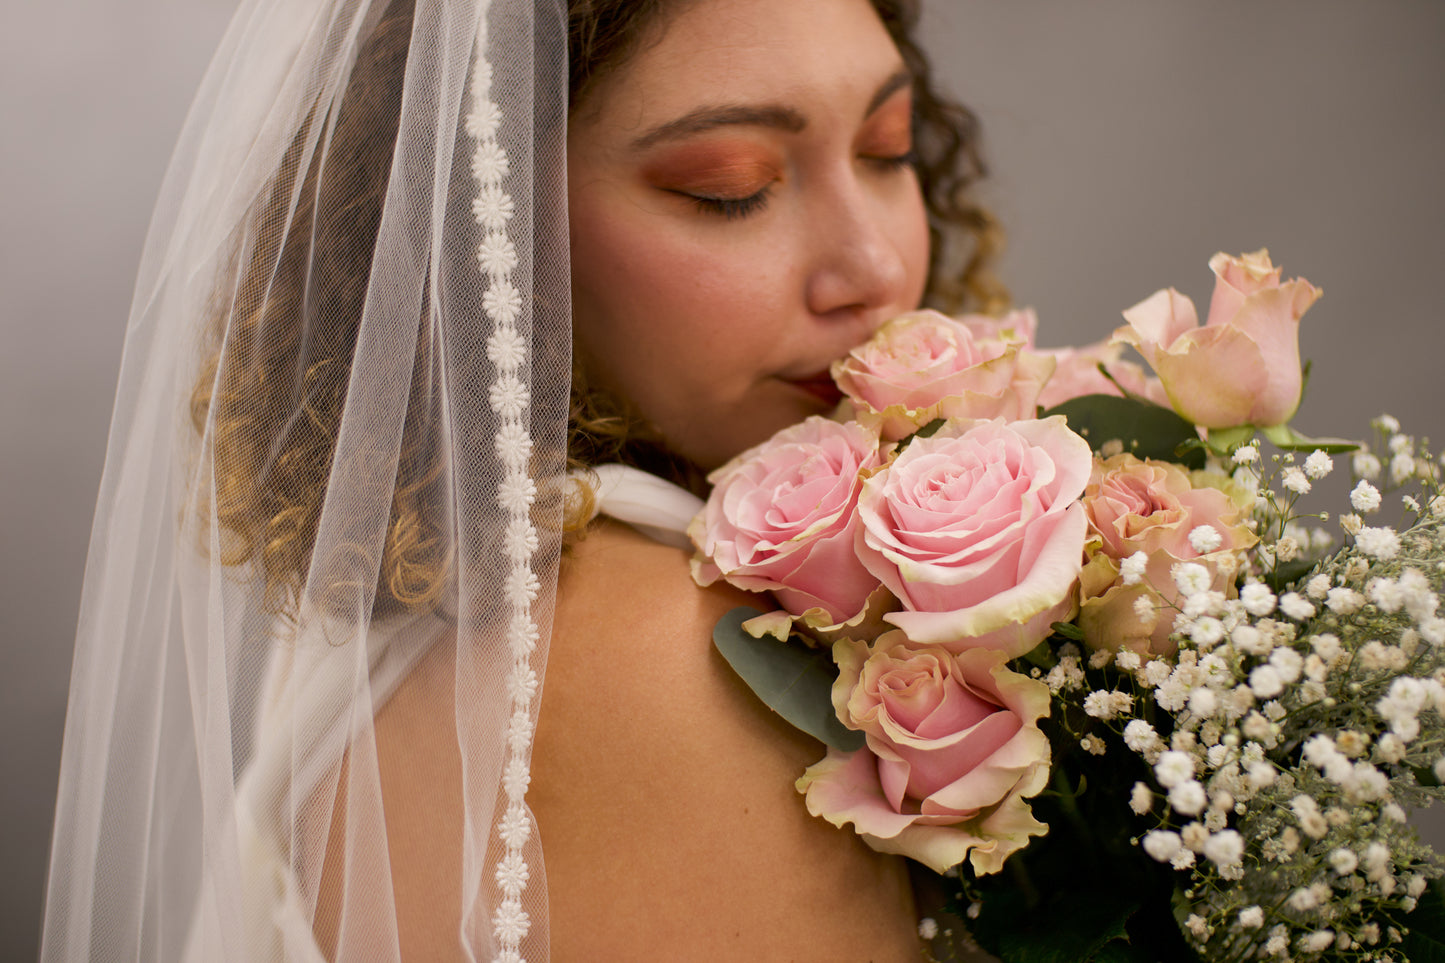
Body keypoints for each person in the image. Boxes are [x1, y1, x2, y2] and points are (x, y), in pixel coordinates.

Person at [40, 0, 1002, 959]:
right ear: (482, 228)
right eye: (730, 187)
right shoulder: (658, 655)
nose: (873, 267)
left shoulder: (465, 604)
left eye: (888, 147)